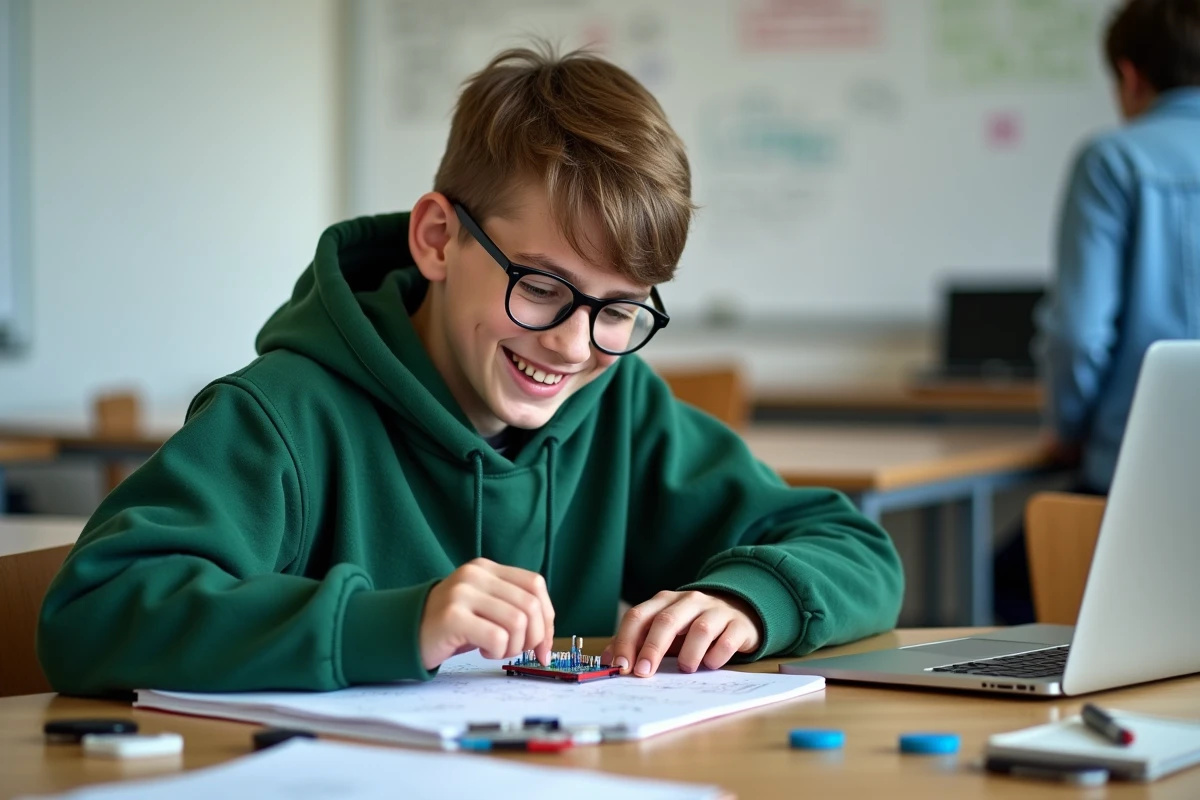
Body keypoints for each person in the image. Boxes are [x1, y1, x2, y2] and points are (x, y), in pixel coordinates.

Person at [38, 45, 903, 695]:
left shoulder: (623, 408)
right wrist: (391, 624)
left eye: (617, 310)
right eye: (542, 288)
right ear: (439, 239)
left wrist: (751, 602)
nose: (572, 345)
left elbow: (857, 550)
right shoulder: (285, 417)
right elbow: (91, 615)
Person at [994, 0, 1200, 623]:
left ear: (1131, 76)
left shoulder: (1117, 158)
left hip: (1141, 473)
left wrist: (1069, 425)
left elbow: (1080, 332)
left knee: (1006, 578)